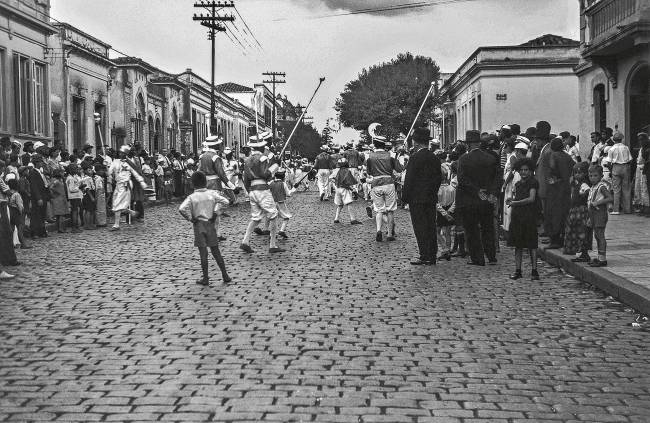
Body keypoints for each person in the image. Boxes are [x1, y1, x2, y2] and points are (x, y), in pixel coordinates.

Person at [178, 171, 231, 286]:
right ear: (206, 182)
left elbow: (181, 209)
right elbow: (226, 202)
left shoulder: (191, 197)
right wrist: (217, 213)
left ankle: (206, 278)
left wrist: (190, 219)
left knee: (203, 253)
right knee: (216, 251)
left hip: (198, 225)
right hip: (210, 223)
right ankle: (225, 275)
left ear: (193, 184)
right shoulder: (212, 194)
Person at [456, 130, 499, 266]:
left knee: (472, 230)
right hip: (486, 199)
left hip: (469, 200)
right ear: (479, 143)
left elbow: (462, 179)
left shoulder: (464, 159)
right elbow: (497, 178)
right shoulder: (490, 158)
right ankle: (491, 256)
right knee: (488, 228)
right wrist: (492, 193)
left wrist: (476, 191)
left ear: (468, 144)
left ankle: (477, 258)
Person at [240, 132, 284, 254]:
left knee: (255, 218)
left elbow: (246, 179)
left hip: (252, 191)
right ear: (261, 147)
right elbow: (265, 174)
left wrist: (249, 191)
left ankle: (245, 241)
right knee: (273, 215)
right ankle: (273, 244)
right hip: (262, 189)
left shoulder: (247, 160)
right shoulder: (263, 158)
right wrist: (275, 166)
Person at [402, 127, 442, 264]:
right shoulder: (434, 158)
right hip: (430, 197)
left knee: (420, 227)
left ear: (416, 142)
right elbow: (438, 178)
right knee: (431, 225)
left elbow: (409, 179)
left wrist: (405, 197)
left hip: (416, 198)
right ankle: (432, 255)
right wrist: (433, 192)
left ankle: (424, 255)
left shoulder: (414, 158)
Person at [366, 124, 402, 242]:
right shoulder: (391, 155)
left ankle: (378, 231)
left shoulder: (370, 156)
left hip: (376, 183)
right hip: (389, 183)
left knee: (379, 209)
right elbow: (399, 169)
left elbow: (369, 171)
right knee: (390, 210)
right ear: (384, 144)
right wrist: (398, 156)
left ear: (375, 144)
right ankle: (390, 234)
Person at [506, 158, 540, 280]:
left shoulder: (533, 183)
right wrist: (511, 201)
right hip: (518, 216)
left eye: (526, 170)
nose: (524, 172)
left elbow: (531, 199)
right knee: (518, 245)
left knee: (532, 245)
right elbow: (516, 197)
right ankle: (518, 270)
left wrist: (515, 203)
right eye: (521, 170)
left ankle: (534, 270)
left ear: (530, 171)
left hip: (529, 216)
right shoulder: (518, 184)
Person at [545, 137, 575, 249]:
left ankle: (554, 240)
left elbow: (552, 167)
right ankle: (562, 238)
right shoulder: (567, 156)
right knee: (563, 214)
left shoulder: (554, 155)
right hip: (566, 188)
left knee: (553, 213)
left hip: (556, 188)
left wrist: (552, 178)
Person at [108, 145, 147, 231]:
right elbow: (110, 172)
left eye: (123, 153)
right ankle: (131, 212)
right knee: (115, 204)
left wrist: (142, 182)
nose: (121, 154)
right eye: (120, 153)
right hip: (118, 184)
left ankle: (116, 224)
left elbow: (135, 172)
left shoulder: (129, 163)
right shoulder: (115, 162)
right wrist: (107, 168)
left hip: (125, 185)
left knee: (117, 203)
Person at [564, 161, 592, 262]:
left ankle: (583, 253)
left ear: (585, 173)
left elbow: (588, 192)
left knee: (582, 232)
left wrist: (583, 195)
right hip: (576, 211)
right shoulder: (576, 184)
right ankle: (582, 253)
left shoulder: (584, 184)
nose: (577, 175)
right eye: (575, 172)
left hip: (581, 211)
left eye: (579, 173)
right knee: (578, 232)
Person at [587, 164, 614, 267]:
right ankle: (599, 256)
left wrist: (598, 203)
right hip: (593, 214)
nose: (592, 178)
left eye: (595, 176)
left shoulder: (601, 187)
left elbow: (610, 198)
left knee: (600, 235)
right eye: (590, 176)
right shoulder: (593, 187)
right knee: (597, 235)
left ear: (601, 175)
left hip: (600, 213)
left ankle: (603, 259)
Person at [329, 157, 361, 225]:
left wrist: (336, 182)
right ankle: (353, 219)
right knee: (349, 203)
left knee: (340, 205)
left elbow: (331, 178)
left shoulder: (337, 170)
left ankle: (336, 218)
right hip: (345, 189)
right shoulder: (347, 171)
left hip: (337, 189)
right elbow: (349, 182)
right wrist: (353, 189)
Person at [607, 131, 632, 214]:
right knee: (626, 189)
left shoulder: (611, 149)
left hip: (616, 167)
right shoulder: (626, 148)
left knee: (616, 190)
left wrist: (611, 171)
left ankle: (616, 209)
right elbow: (630, 160)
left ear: (614, 140)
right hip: (625, 167)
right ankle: (627, 209)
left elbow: (608, 162)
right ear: (621, 139)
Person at [269, 168, 296, 239]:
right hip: (280, 202)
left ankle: (272, 234)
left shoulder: (271, 183)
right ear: (283, 177)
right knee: (286, 217)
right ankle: (282, 230)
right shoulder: (283, 184)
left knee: (273, 218)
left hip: (271, 203)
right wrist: (293, 189)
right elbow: (288, 194)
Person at [436, 166, 456, 261]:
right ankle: (447, 250)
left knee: (437, 231)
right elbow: (455, 201)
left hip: (440, 212)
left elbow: (437, 204)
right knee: (447, 232)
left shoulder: (438, 190)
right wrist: (449, 211)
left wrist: (444, 213)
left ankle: (445, 248)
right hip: (449, 210)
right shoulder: (452, 188)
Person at [28, 154, 50, 238]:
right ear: (36, 162)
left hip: (43, 195)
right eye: (40, 161)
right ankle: (34, 232)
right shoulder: (33, 172)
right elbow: (34, 186)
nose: (41, 163)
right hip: (38, 197)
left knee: (42, 214)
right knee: (35, 215)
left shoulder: (40, 172)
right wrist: (38, 198)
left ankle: (42, 231)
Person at [7, 178, 30, 249]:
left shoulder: (8, 194)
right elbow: (20, 205)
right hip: (17, 212)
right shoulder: (17, 194)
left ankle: (10, 244)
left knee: (11, 228)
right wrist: (21, 213)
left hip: (10, 212)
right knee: (20, 228)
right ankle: (23, 244)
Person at [49, 168, 68, 233]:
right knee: (60, 215)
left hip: (60, 198)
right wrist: (57, 192)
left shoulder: (60, 180)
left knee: (59, 215)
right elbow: (51, 187)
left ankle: (59, 228)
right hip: (58, 199)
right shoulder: (56, 181)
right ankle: (60, 228)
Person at [66, 163, 83, 233]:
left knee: (76, 212)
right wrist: (79, 187)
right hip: (73, 197)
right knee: (74, 212)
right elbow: (71, 189)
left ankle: (76, 226)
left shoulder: (74, 177)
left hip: (77, 196)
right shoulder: (70, 178)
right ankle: (74, 227)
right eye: (75, 169)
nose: (76, 170)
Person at [636, 132, 650, 216]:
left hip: (647, 168)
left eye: (642, 139)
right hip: (644, 169)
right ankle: (644, 207)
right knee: (642, 189)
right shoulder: (643, 148)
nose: (640, 141)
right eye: (639, 140)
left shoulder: (647, 147)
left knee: (646, 189)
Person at [80, 162, 96, 230]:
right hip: (88, 195)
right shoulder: (86, 178)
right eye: (89, 170)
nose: (91, 171)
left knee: (92, 210)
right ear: (85, 171)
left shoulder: (90, 178)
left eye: (91, 170)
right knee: (88, 210)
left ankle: (91, 223)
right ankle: (87, 224)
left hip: (92, 193)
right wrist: (91, 197)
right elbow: (87, 189)